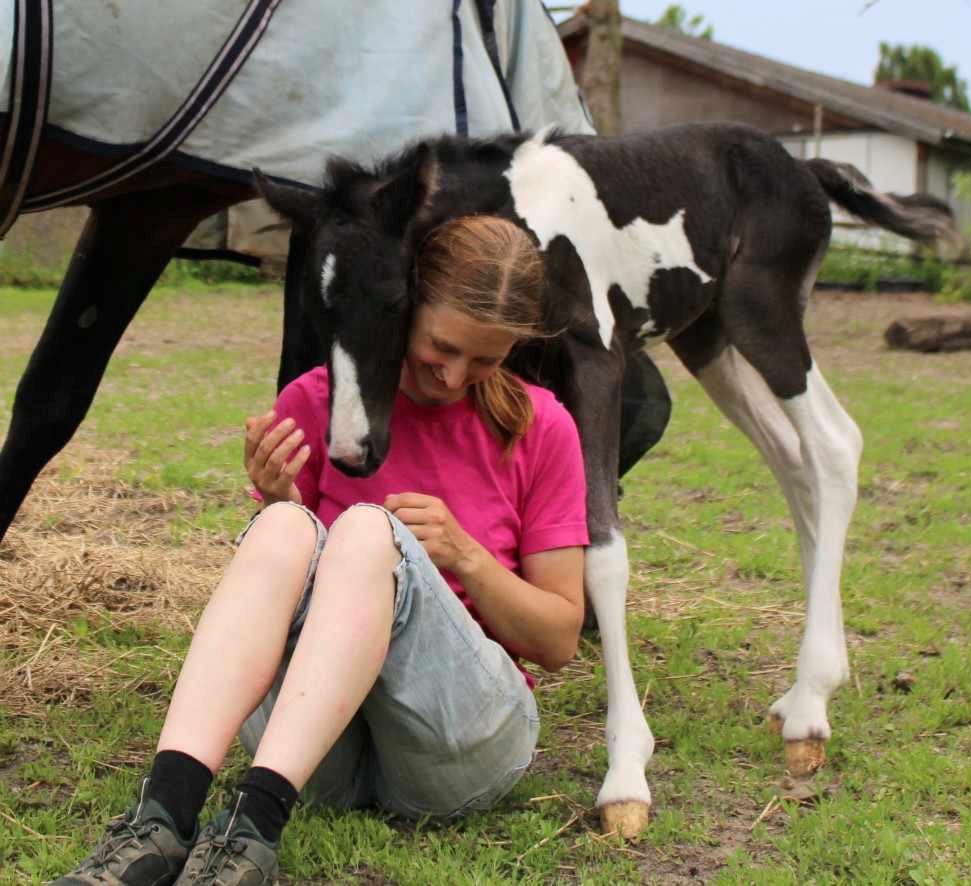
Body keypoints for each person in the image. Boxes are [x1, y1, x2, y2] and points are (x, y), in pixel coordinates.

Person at [51, 215, 589, 886]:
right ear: (402, 306)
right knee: (283, 530)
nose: (453, 377)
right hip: (315, 756)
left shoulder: (543, 428)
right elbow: (279, 603)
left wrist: (467, 558)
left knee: (367, 531)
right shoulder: (315, 402)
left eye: (485, 360)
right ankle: (163, 821)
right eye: (440, 348)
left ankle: (254, 829)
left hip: (458, 747)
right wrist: (281, 502)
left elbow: (560, 639)